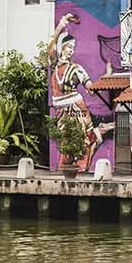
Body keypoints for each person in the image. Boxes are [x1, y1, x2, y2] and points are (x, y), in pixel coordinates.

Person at [48, 12, 114, 172]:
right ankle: (100, 131)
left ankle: (80, 169)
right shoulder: (55, 64)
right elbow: (51, 44)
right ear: (62, 48)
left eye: (73, 48)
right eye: (69, 47)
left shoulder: (78, 69)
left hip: (78, 109)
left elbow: (91, 91)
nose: (71, 51)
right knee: (66, 141)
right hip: (62, 110)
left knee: (83, 140)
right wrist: (62, 23)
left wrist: (106, 77)